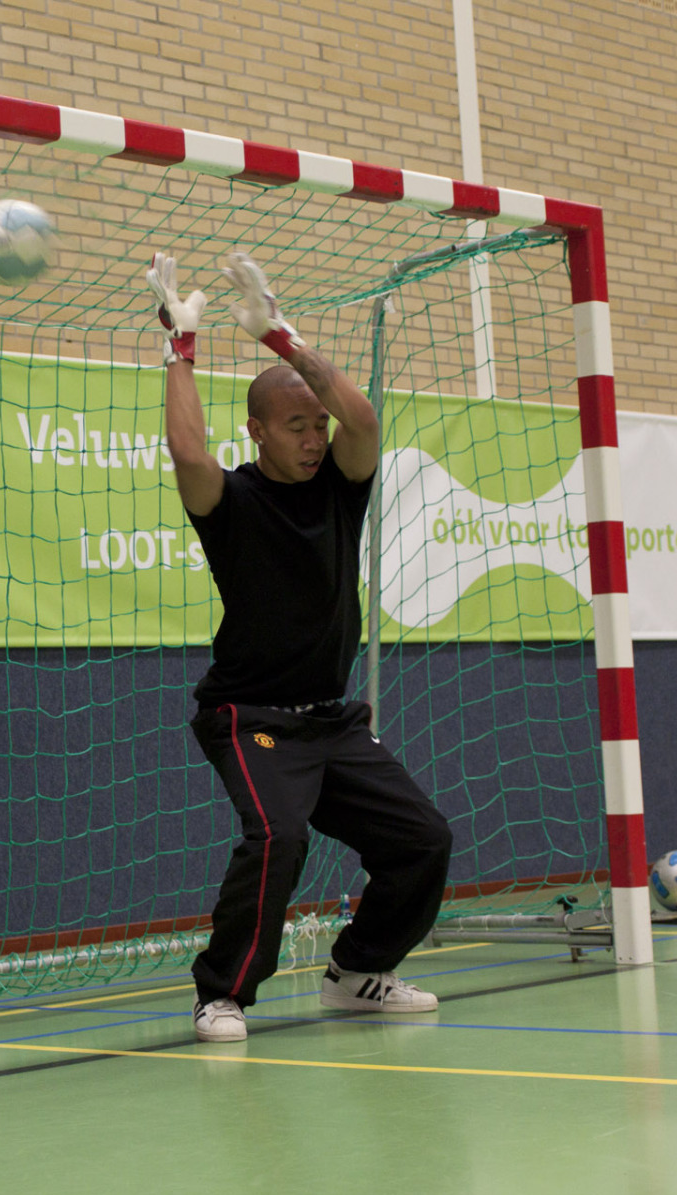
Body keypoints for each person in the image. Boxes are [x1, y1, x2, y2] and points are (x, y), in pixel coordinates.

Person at [145, 250, 455, 1043]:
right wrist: (181, 348)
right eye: (296, 427)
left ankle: (357, 973)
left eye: (317, 425)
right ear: (256, 432)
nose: (315, 439)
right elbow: (188, 452)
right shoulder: (229, 500)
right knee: (279, 838)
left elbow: (364, 421)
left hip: (332, 722)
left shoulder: (342, 487)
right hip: (249, 717)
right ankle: (222, 994)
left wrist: (280, 336)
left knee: (423, 840)